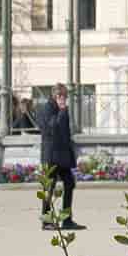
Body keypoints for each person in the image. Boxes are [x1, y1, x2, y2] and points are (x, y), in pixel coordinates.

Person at [41, 84, 79, 230]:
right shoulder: (47, 109)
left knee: (69, 183)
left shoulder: (62, 109)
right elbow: (52, 128)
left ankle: (67, 219)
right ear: (55, 96)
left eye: (65, 96)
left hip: (62, 155)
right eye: (61, 96)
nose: (64, 99)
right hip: (52, 155)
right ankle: (46, 221)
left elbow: (65, 132)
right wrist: (62, 111)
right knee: (49, 187)